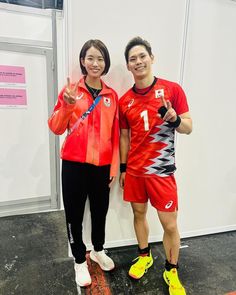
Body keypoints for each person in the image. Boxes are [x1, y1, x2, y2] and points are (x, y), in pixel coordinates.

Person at [119, 37, 192, 295]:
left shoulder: (172, 90)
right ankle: (144, 256)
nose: (138, 62)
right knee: (139, 215)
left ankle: (171, 270)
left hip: (161, 171)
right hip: (136, 171)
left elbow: (189, 127)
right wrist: (124, 169)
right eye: (132, 59)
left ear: (152, 57)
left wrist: (174, 120)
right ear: (128, 66)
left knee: (170, 225)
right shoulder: (124, 100)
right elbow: (125, 137)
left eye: (142, 56)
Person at [48, 39, 119, 287]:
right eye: (90, 58)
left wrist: (113, 167)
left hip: (101, 167)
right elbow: (56, 127)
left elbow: (115, 135)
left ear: (106, 63)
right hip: (74, 167)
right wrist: (67, 105)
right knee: (74, 216)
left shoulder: (112, 95)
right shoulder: (71, 92)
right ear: (82, 61)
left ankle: (98, 251)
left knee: (100, 213)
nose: (95, 63)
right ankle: (79, 260)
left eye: (100, 59)